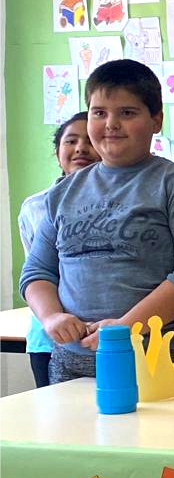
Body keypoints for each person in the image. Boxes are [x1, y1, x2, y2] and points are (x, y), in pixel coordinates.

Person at [20, 59, 174, 382]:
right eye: (99, 113)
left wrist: (127, 326)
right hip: (74, 365)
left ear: (156, 120)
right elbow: (37, 272)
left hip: (161, 363)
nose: (111, 124)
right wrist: (51, 317)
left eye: (127, 113)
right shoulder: (62, 194)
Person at [18, 115, 97, 388]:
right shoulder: (36, 206)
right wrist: (54, 314)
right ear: (57, 152)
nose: (80, 148)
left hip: (102, 330)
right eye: (71, 141)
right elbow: (38, 270)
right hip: (48, 335)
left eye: (89, 140)